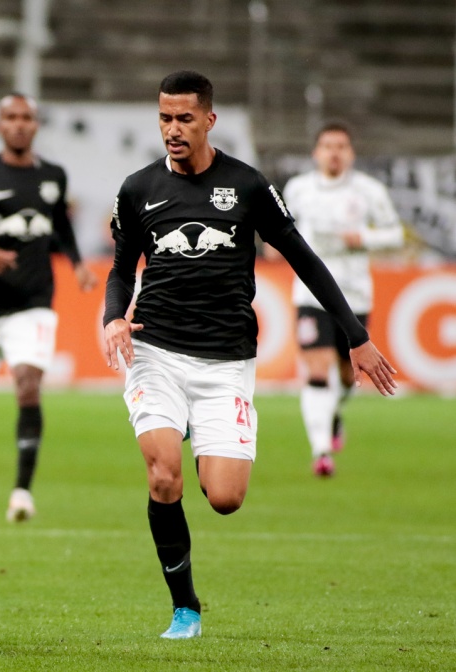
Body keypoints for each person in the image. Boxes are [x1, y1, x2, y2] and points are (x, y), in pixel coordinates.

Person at [102, 71, 397, 640]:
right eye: (164, 117)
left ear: (209, 120)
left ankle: (195, 436)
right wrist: (113, 317)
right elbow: (120, 267)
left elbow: (305, 260)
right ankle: (185, 608)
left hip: (225, 362)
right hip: (155, 350)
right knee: (163, 476)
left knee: (226, 499)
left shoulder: (246, 185)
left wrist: (356, 336)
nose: (172, 129)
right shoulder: (137, 188)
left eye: (184, 118)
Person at [0, 92, 98, 522]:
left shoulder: (53, 176)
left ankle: (22, 492)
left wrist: (79, 264)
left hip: (34, 302)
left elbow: (60, 223)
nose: (18, 124)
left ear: (35, 124)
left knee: (28, 385)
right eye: (10, 117)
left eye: (26, 117)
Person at [281, 123, 404, 477]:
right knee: (317, 370)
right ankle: (321, 451)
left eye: (341, 146)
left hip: (353, 297)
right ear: (315, 152)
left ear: (350, 153)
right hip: (309, 294)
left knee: (350, 377)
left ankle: (333, 415)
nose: (334, 152)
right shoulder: (299, 189)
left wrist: (362, 237)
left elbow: (395, 232)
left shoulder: (369, 191)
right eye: (327, 146)